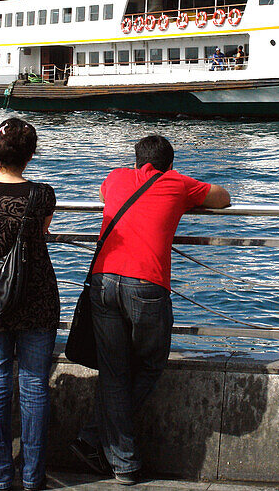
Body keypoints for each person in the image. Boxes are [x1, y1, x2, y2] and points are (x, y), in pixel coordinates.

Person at [71, 135, 231, 484]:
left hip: (102, 280)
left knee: (114, 371)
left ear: (135, 161)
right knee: (151, 362)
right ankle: (114, 452)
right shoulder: (176, 183)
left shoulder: (115, 177)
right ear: (169, 164)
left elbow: (105, 197)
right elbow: (223, 198)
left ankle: (101, 445)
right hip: (146, 284)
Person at [0, 118, 58, 491]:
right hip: (36, 294)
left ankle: (0, 475)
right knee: (35, 385)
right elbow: (43, 232)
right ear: (31, 154)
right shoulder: (43, 195)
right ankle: (34, 476)